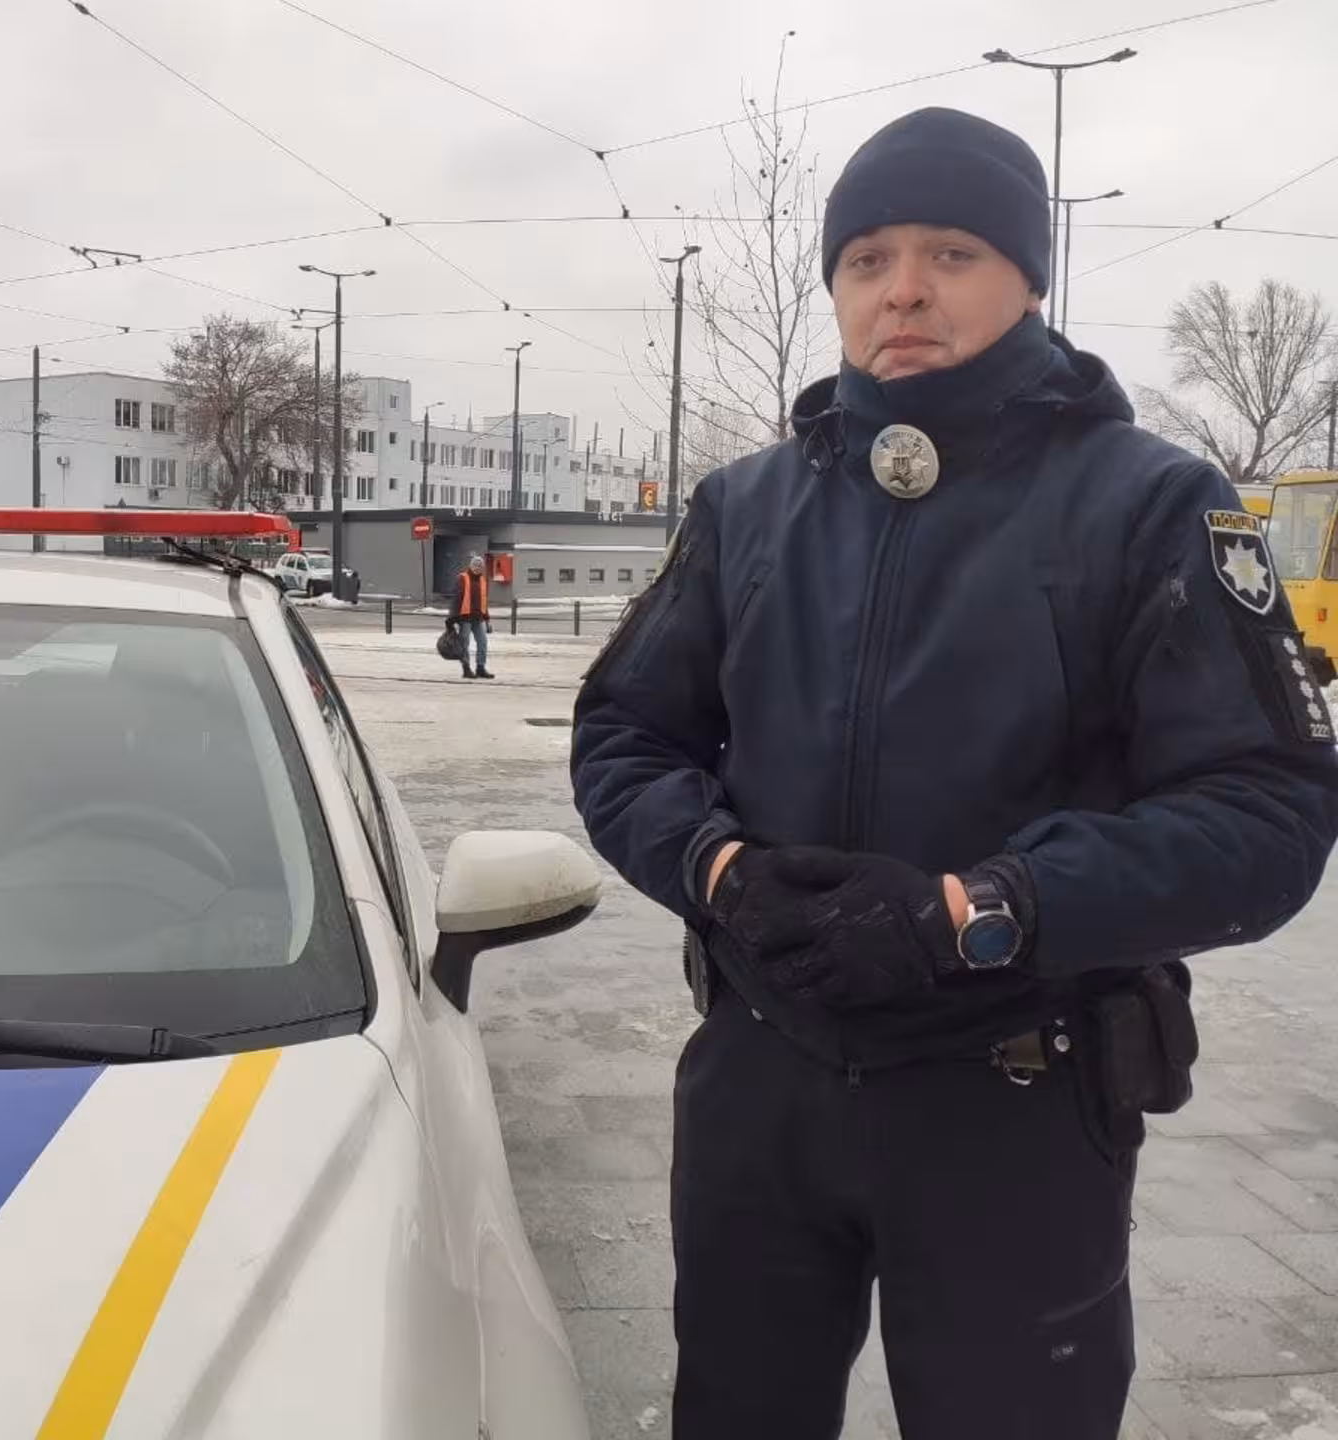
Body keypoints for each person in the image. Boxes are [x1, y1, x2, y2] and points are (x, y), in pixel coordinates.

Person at [569, 106, 1338, 1440]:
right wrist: (721, 871)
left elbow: (1266, 811)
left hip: (1016, 1100)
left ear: (1029, 277)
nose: (904, 291)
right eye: (867, 259)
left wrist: (979, 910)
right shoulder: (745, 508)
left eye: (952, 252)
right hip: (762, 1085)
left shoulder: (1152, 505)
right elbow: (623, 736)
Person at [446, 553, 494, 679]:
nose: (477, 568)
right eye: (475, 565)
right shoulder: (462, 578)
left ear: (482, 568)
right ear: (470, 566)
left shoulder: (482, 580)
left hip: (478, 618)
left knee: (483, 642)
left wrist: (487, 619)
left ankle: (480, 668)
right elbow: (456, 599)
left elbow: (484, 601)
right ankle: (466, 669)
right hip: (465, 618)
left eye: (480, 566)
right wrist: (452, 618)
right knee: (464, 644)